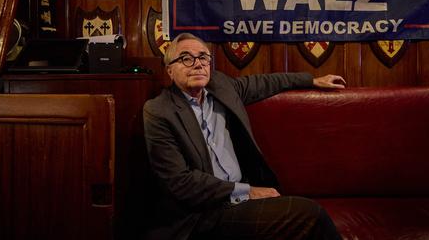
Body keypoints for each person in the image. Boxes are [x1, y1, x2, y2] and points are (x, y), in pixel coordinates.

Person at [143, 32, 346, 240]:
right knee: (309, 214)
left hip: (240, 201)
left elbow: (266, 82)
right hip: (204, 213)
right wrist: (247, 191)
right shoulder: (159, 111)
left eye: (203, 57)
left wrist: (311, 79)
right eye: (186, 58)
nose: (198, 64)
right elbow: (180, 182)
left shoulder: (221, 86)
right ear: (169, 70)